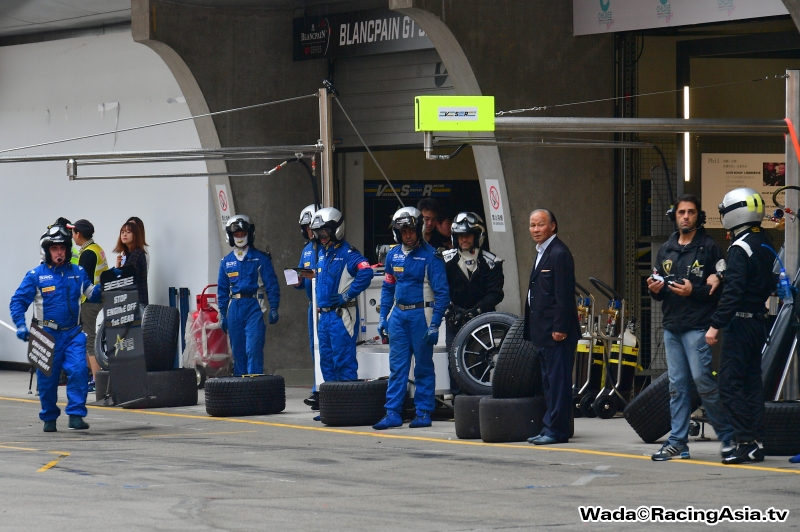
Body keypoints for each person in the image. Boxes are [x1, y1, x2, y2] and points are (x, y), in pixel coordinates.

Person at [647, 195, 734, 461]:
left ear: (699, 216)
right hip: (672, 326)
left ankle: (729, 436)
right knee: (677, 386)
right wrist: (654, 290)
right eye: (682, 212)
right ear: (674, 216)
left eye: (691, 212)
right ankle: (677, 442)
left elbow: (717, 291)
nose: (686, 217)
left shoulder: (710, 248)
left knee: (703, 382)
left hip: (698, 326)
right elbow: (659, 290)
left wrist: (692, 291)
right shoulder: (666, 249)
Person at [706, 188, 775, 465]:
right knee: (751, 384)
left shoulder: (739, 247)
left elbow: (733, 292)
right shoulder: (763, 241)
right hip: (759, 322)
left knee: (729, 384)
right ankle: (756, 443)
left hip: (741, 323)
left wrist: (715, 325)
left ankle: (744, 442)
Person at [9, 222, 100, 432]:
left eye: (62, 248)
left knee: (78, 370)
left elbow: (91, 292)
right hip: (45, 335)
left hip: (73, 334)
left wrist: (108, 286)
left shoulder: (78, 272)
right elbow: (17, 302)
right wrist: (21, 326)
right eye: (54, 249)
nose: (59, 253)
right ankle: (49, 417)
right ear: (47, 251)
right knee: (47, 381)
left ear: (68, 250)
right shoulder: (35, 275)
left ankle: (76, 415)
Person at [373, 207, 449, 430]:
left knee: (423, 366)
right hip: (398, 315)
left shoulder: (432, 256)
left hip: (421, 315)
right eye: (403, 231)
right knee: (397, 367)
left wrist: (435, 324)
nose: (407, 234)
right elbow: (388, 287)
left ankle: (423, 412)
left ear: (418, 229)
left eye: (411, 230)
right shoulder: (393, 254)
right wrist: (383, 317)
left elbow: (443, 294)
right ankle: (393, 413)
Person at [524, 209, 580, 445]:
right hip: (542, 331)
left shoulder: (559, 253)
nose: (536, 229)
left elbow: (564, 295)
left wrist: (560, 327)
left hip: (557, 333)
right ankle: (552, 427)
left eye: (540, 225)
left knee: (558, 384)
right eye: (532, 225)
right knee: (548, 383)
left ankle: (556, 431)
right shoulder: (541, 252)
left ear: (553, 226)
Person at [308, 208, 374, 392]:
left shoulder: (348, 253)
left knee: (343, 363)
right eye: (317, 232)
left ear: (336, 229)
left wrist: (347, 294)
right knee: (326, 363)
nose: (321, 236)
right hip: (325, 317)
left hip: (342, 315)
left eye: (324, 231)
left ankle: (347, 408)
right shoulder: (322, 253)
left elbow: (366, 271)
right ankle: (332, 408)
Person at [442, 212, 504, 392]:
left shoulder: (492, 262)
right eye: (460, 235)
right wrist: (451, 310)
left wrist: (475, 312)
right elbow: (439, 289)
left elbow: (496, 293)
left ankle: (480, 399)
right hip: (454, 319)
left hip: (483, 319)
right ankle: (458, 402)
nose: (464, 239)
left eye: (468, 235)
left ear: (478, 236)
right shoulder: (445, 260)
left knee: (481, 358)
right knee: (454, 361)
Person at [217, 214, 280, 376]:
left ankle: (255, 387)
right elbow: (222, 291)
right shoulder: (226, 262)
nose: (239, 237)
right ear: (230, 236)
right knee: (238, 353)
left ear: (249, 234)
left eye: (242, 234)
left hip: (254, 307)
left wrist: (274, 307)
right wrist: (222, 314)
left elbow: (272, 285)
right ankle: (241, 390)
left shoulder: (260, 259)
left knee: (253, 349)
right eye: (236, 235)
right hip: (234, 308)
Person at [68, 219, 109, 393]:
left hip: (89, 302)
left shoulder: (87, 254)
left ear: (78, 234)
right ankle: (93, 376)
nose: (72, 236)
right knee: (89, 339)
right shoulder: (96, 248)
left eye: (73, 232)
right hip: (99, 299)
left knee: (89, 340)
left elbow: (81, 281)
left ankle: (95, 379)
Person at [294, 204, 320, 410]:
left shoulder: (328, 249)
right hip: (313, 306)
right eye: (308, 228)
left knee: (330, 349)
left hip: (329, 306)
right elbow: (301, 279)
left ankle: (328, 387)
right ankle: (317, 386)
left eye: (313, 227)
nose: (311, 232)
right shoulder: (306, 251)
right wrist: (296, 280)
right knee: (315, 349)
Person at [113, 220, 149, 307]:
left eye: (128, 232)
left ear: (135, 235)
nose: (124, 235)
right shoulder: (127, 253)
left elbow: (129, 280)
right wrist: (118, 267)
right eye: (122, 232)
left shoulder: (136, 253)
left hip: (135, 303)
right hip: (130, 302)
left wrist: (119, 270)